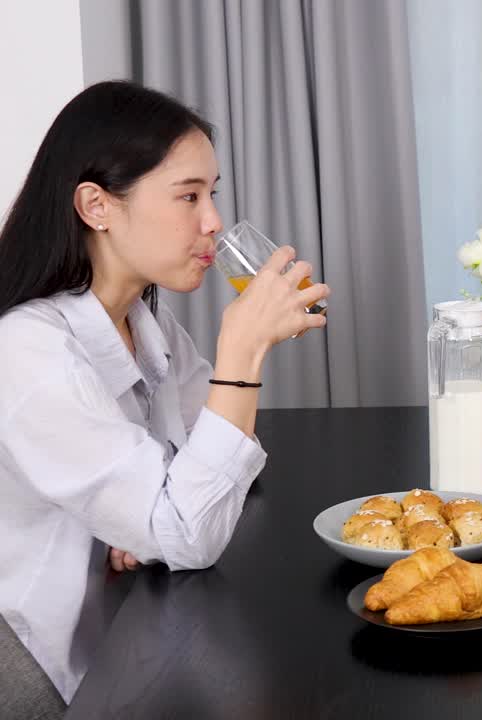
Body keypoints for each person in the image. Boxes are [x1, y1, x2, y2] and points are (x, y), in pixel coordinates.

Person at [0, 80, 328, 704]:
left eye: (212, 194)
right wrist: (241, 352)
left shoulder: (145, 323)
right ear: (96, 206)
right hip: (36, 653)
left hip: (124, 622)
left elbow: (210, 471)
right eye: (188, 196)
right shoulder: (27, 349)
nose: (214, 222)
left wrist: (149, 519)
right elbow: (188, 526)